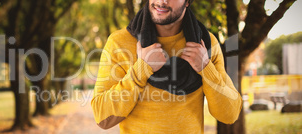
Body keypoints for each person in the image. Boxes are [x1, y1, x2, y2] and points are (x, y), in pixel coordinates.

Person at [91, 0, 242, 133]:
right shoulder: (119, 43)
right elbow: (102, 117)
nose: (162, 1)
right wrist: (141, 69)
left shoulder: (206, 44)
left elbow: (230, 114)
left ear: (188, 1)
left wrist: (205, 67)